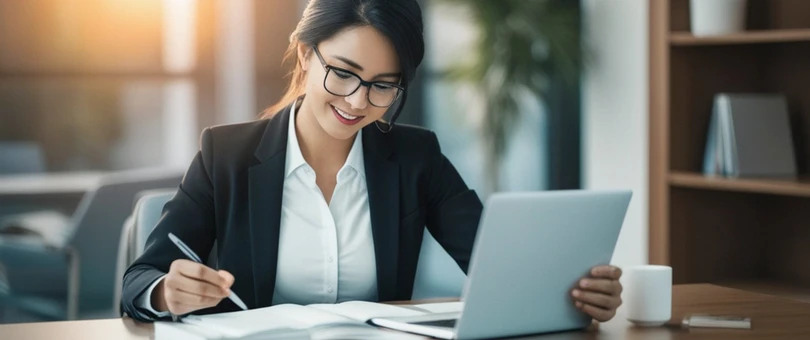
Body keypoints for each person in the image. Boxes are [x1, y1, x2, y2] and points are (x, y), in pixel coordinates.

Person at [121, 0, 623, 324]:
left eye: (384, 84)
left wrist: (573, 293)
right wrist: (167, 291)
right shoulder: (224, 154)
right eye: (343, 73)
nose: (358, 102)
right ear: (304, 56)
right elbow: (139, 281)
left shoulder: (415, 156)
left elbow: (497, 265)